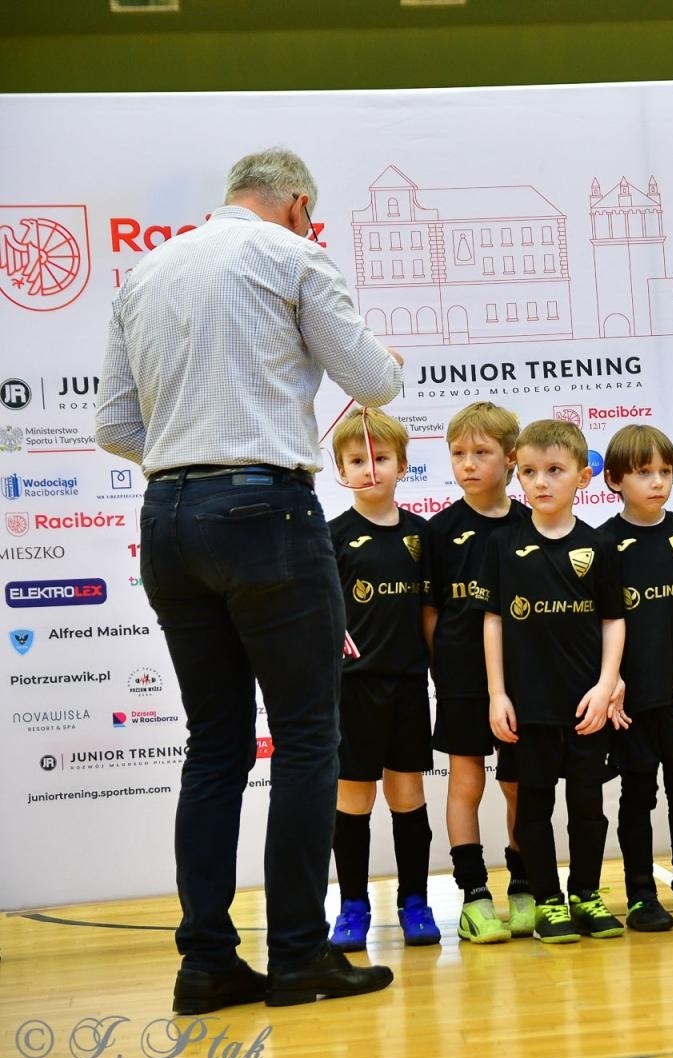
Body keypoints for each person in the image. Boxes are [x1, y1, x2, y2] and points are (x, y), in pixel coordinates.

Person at [96, 147, 401, 1011]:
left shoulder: (146, 272)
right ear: (298, 204)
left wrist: (186, 447)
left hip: (168, 518)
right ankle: (301, 955)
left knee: (215, 744)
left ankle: (205, 965)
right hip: (267, 514)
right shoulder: (293, 255)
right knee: (307, 736)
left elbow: (116, 424)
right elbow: (373, 380)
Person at [482, 419, 626, 942]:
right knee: (534, 807)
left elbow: (614, 619)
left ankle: (586, 893)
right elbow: (493, 619)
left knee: (588, 807)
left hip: (586, 705)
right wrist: (498, 693)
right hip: (529, 707)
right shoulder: (502, 545)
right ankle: (547, 900)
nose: (541, 482)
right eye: (529, 472)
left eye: (555, 471)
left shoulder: (601, 545)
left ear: (583, 477)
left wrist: (607, 683)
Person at [325, 407, 439, 951]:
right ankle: (351, 906)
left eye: (381, 457)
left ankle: (415, 901)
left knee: (407, 793)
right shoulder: (332, 537)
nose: (370, 468)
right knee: (353, 798)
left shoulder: (421, 536)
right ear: (340, 471)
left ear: (403, 465)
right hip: (353, 690)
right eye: (356, 460)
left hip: (408, 687)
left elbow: (430, 615)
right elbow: (321, 617)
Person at [598, 425, 673, 933]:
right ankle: (642, 895)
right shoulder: (603, 542)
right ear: (614, 479)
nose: (657, 482)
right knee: (636, 795)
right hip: (632, 699)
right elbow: (602, 622)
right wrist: (614, 681)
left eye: (665, 472)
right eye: (644, 472)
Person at [422, 401, 530, 945]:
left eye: (481, 453)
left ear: (511, 458)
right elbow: (431, 612)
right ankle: (473, 894)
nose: (468, 464)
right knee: (467, 782)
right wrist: (444, 670)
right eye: (458, 453)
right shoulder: (439, 531)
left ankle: (525, 886)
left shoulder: (530, 523)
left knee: (517, 784)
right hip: (463, 680)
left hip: (525, 684)